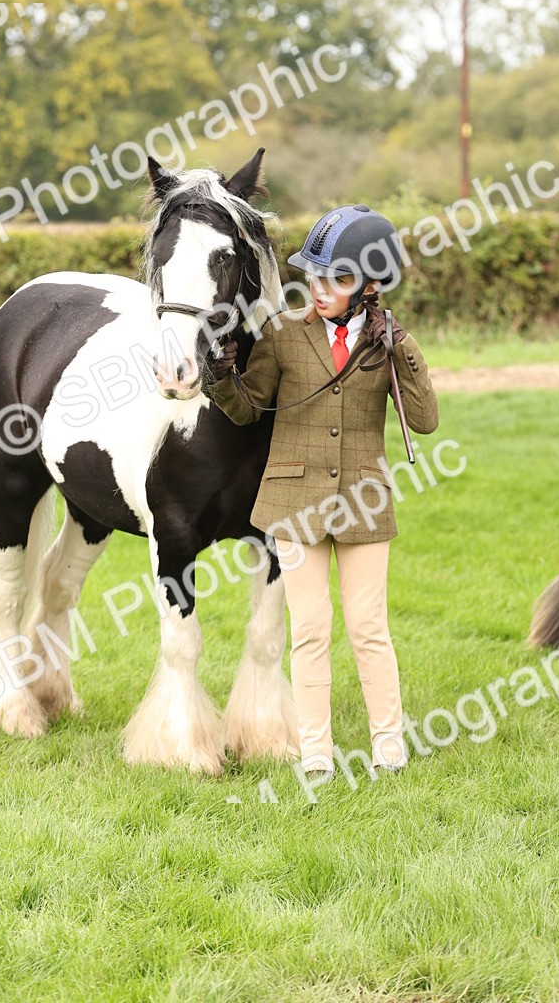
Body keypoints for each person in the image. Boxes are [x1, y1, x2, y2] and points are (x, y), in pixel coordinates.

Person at [204, 204, 439, 780]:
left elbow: (425, 420)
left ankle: (388, 745)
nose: (320, 288)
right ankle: (315, 752)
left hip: (364, 502)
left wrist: (400, 346)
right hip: (293, 502)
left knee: (368, 628)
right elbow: (248, 408)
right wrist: (220, 376)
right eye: (314, 276)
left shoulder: (387, 343)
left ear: (371, 286)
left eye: (337, 278)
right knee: (309, 631)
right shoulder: (283, 334)